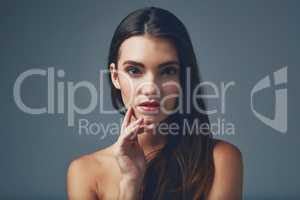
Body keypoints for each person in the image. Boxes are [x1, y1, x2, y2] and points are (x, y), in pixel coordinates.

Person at [66, 6, 243, 200]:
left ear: (183, 78)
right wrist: (130, 183)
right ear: (115, 76)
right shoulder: (84, 173)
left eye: (167, 71)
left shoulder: (220, 160)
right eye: (134, 70)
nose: (151, 88)